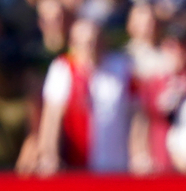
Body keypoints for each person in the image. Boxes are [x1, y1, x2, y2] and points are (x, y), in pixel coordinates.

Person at [35, 16, 138, 174]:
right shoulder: (62, 69)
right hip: (78, 165)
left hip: (116, 165)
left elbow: (137, 114)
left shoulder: (122, 67)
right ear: (72, 44)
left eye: (95, 41)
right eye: (84, 43)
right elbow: (51, 118)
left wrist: (138, 153)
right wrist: (49, 154)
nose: (90, 48)